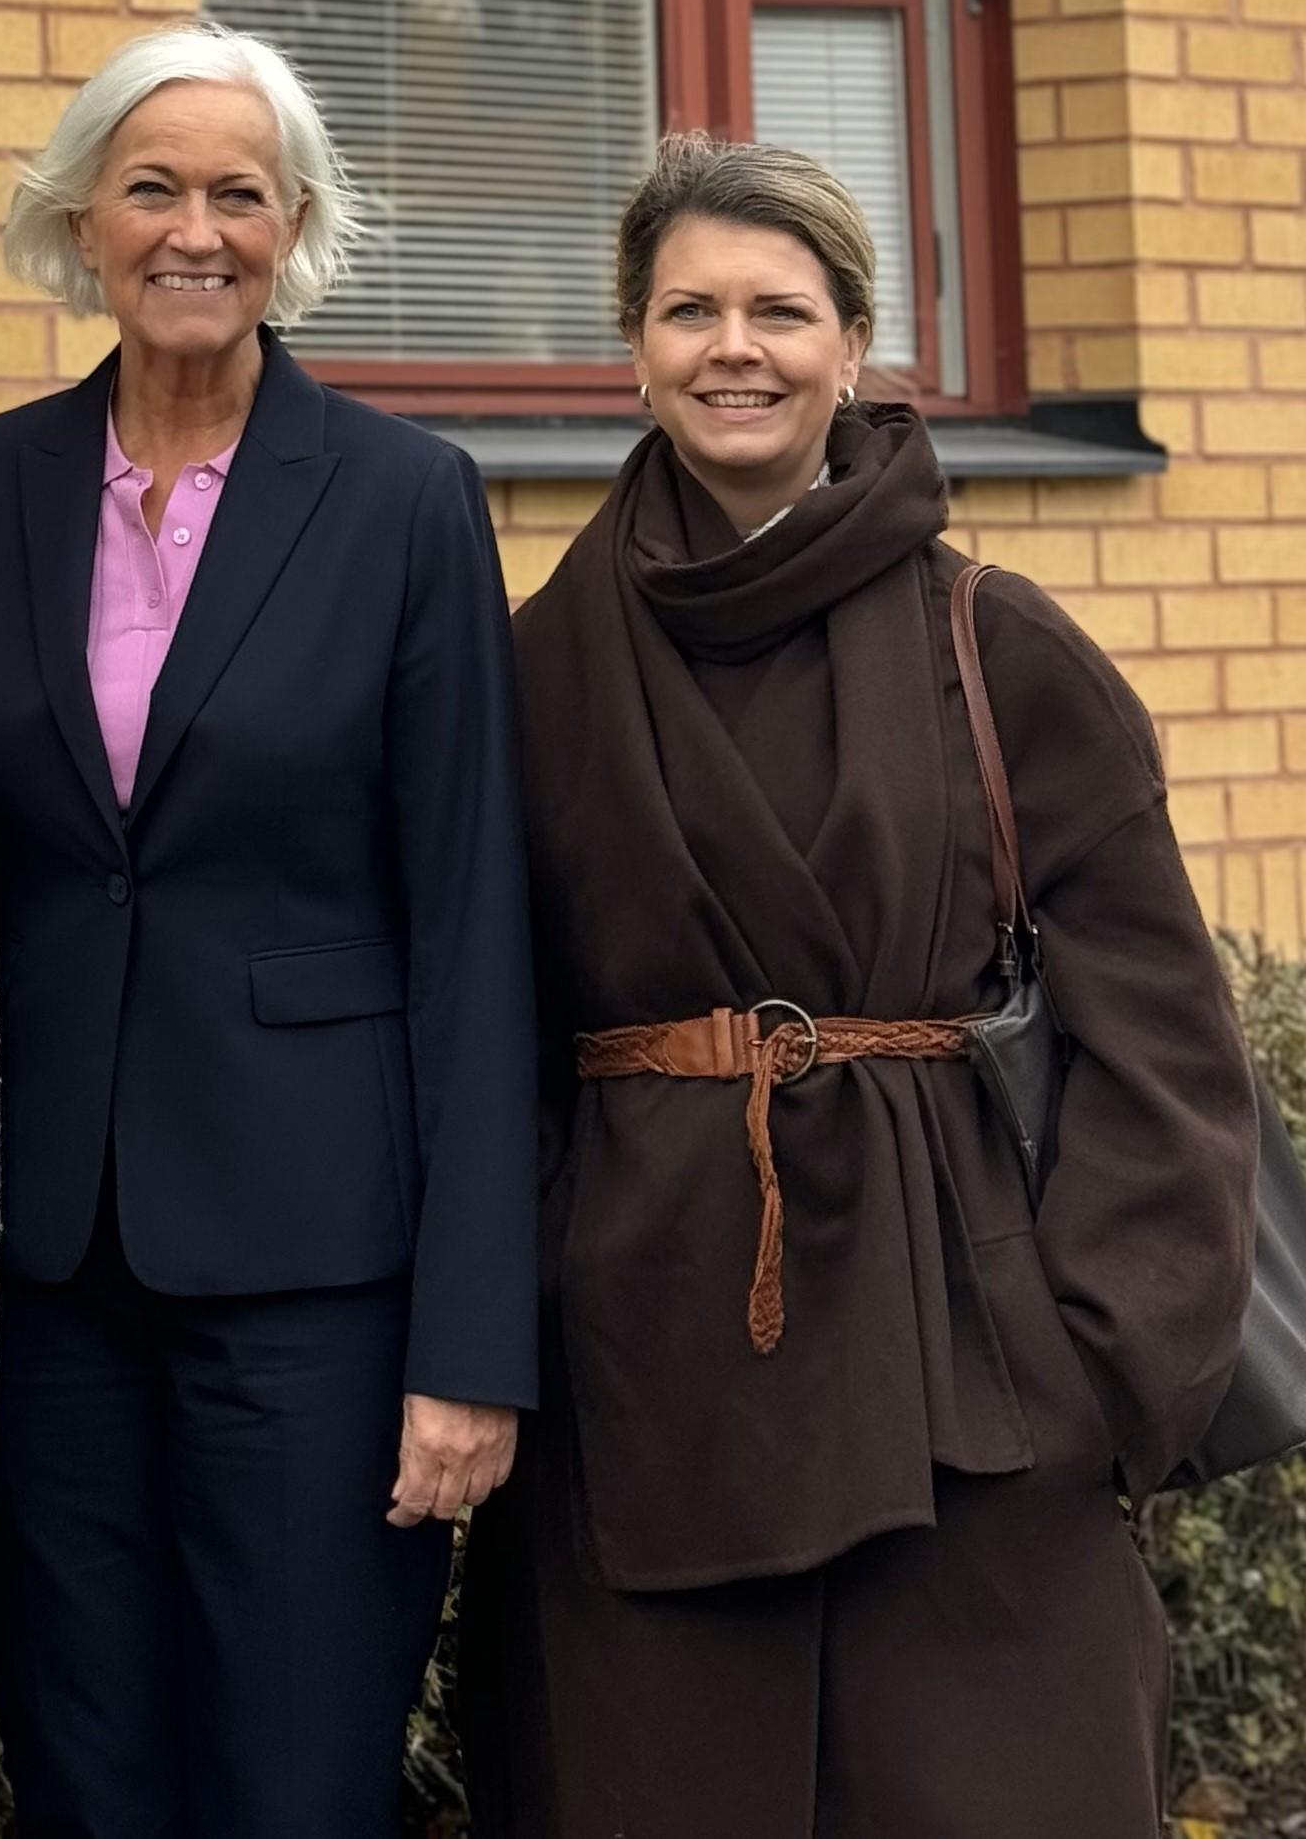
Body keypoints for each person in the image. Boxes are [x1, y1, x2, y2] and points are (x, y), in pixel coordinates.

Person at [459, 132, 1258, 1838]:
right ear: (636, 344)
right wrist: (532, 1310)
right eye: (689, 310)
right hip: (644, 1368)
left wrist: (1108, 1361)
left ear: (851, 341)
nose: (731, 347)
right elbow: (487, 1032)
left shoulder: (998, 640)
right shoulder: (538, 658)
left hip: (971, 1380)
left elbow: (1165, 1043)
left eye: (778, 309)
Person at [0, 22, 539, 1837]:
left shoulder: (409, 498)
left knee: (294, 1779)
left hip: (319, 1280)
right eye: (155, 187)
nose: (197, 230)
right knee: (89, 1768)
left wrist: (469, 1348)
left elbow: (473, 937)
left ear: (296, 228)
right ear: (82, 221)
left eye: (239, 195)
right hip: (51, 1276)